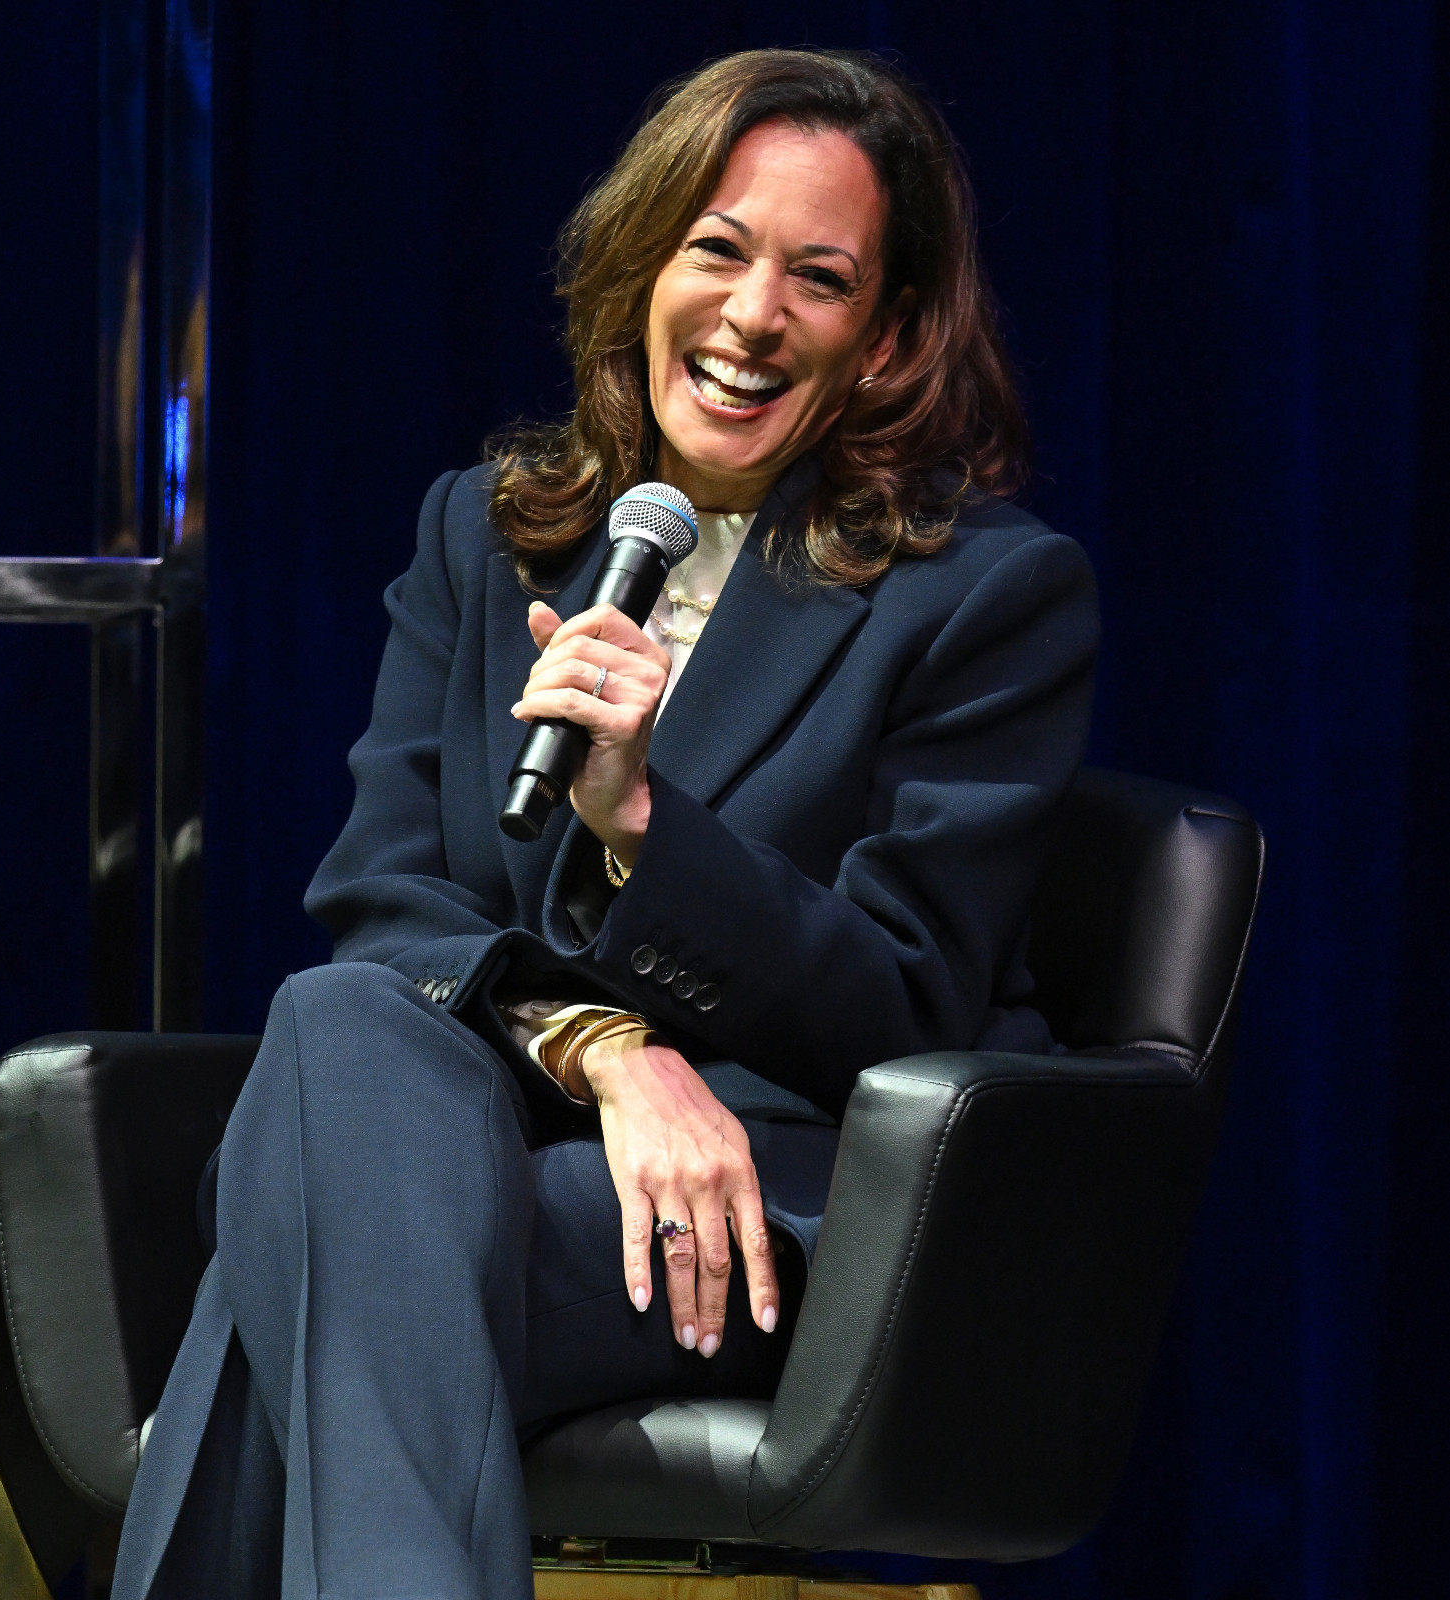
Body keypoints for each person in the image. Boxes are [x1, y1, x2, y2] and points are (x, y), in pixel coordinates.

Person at [112, 47, 1098, 1600]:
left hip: (789, 1198)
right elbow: (382, 893)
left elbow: (907, 998)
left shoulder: (981, 593)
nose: (752, 315)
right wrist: (607, 1050)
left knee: (298, 1250)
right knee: (343, 1020)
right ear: (643, 267)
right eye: (715, 250)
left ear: (887, 335)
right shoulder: (488, 528)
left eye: (819, 278)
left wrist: (643, 816)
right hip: (499, 1139)